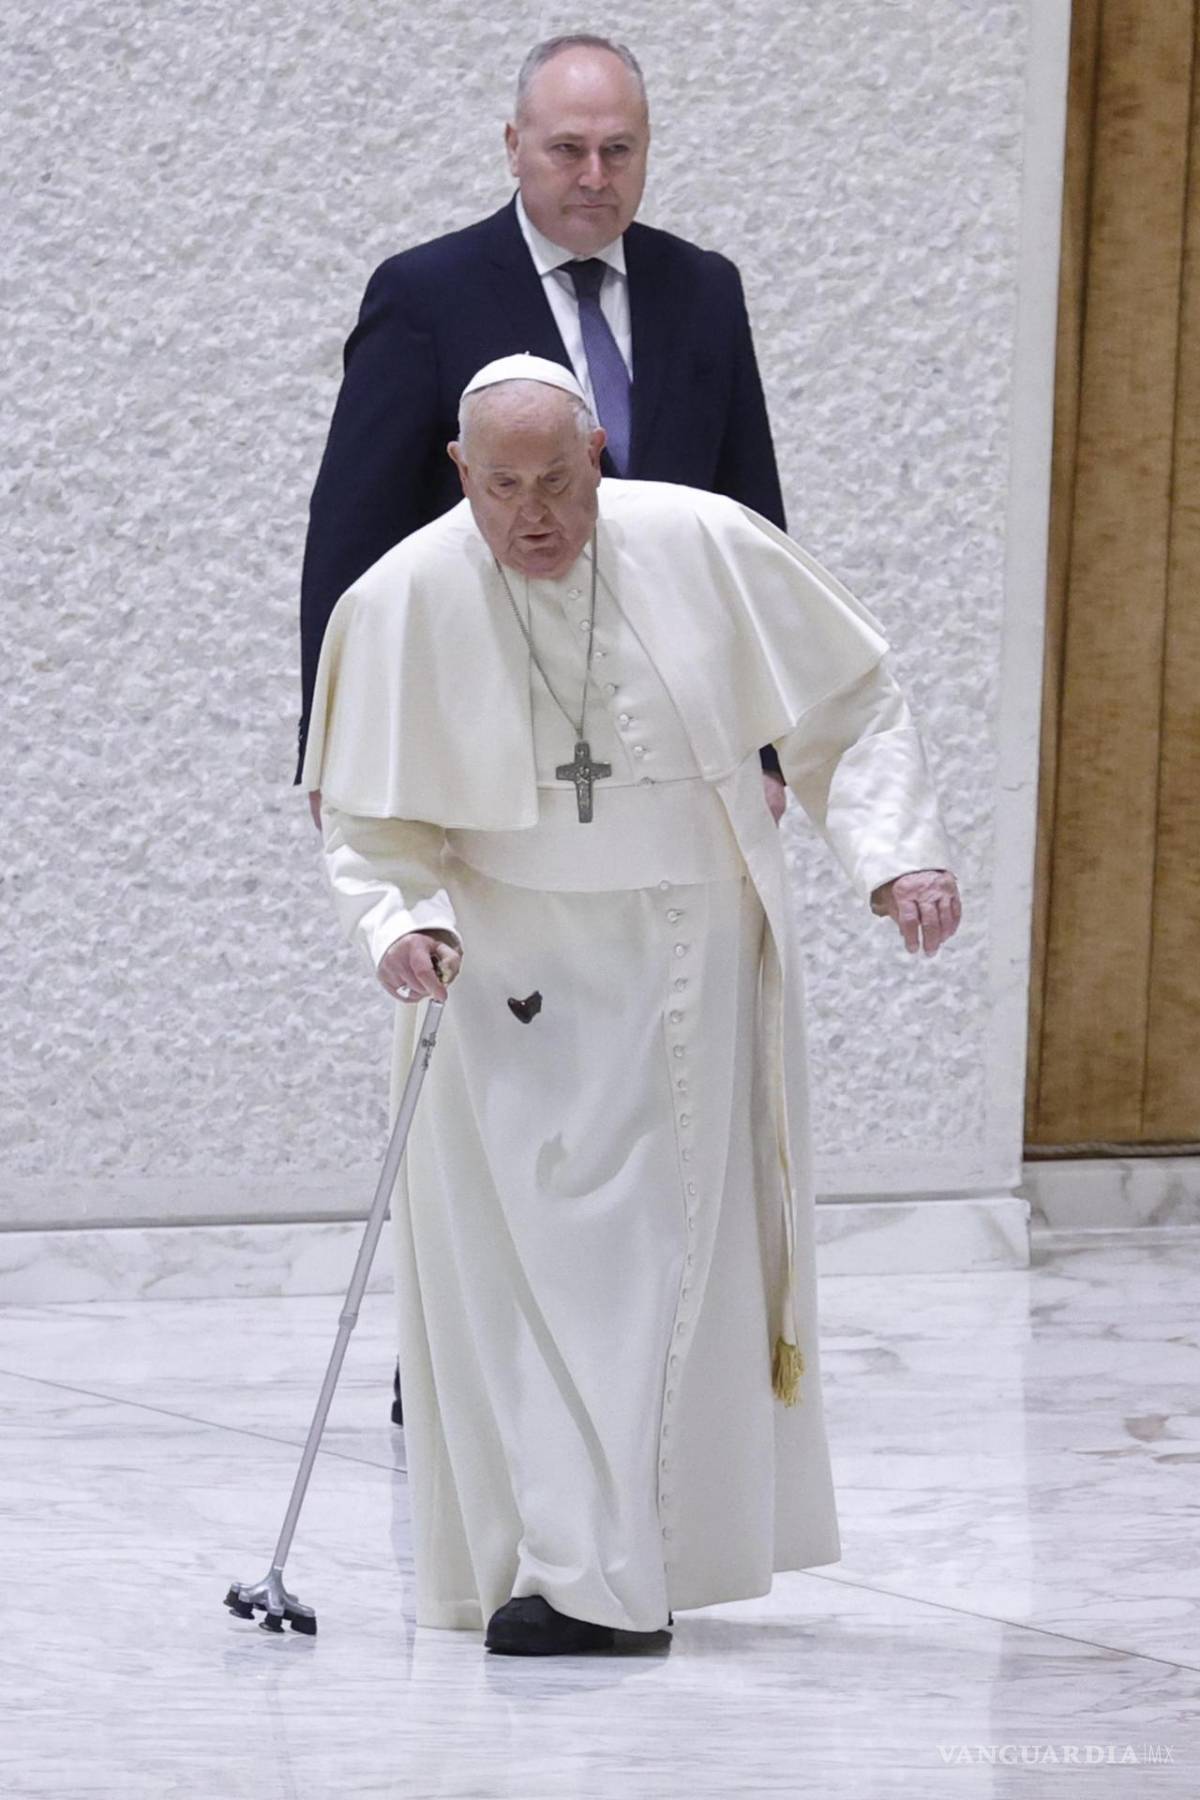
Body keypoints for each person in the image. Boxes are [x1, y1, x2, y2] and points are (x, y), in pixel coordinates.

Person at [301, 354, 961, 1655]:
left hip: (689, 963)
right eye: (502, 487)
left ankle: (605, 1576)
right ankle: (571, 1565)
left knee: (653, 1273)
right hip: (505, 976)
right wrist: (403, 925)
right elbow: (371, 821)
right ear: (460, 473)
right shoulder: (403, 600)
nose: (533, 514)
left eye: (558, 480)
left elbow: (847, 699)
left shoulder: (704, 543)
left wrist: (898, 852)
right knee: (533, 1283)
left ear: (597, 454)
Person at [298, 31, 788, 819]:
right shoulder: (425, 297)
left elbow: (751, 522)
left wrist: (768, 746)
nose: (595, 177)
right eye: (568, 149)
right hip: (485, 724)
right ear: (513, 146)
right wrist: (334, 744)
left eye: (618, 150)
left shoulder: (704, 291)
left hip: (681, 737)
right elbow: (354, 537)